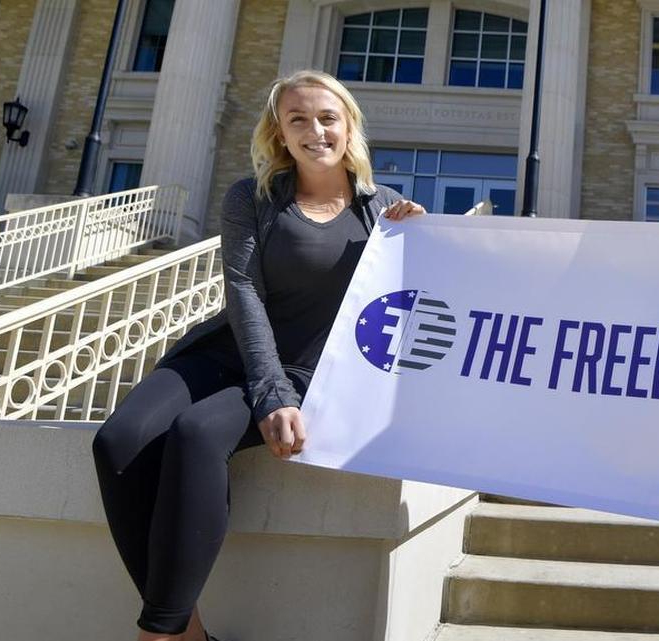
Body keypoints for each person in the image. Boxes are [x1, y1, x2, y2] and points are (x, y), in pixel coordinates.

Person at [91, 69, 424, 641]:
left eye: (327, 117)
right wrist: (267, 393)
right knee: (118, 440)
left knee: (197, 435)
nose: (314, 130)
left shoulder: (384, 210)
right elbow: (244, 293)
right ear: (280, 133)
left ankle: (159, 633)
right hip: (224, 352)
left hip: (303, 371)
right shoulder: (253, 197)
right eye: (298, 119)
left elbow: (412, 304)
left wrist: (422, 242)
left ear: (348, 126)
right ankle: (185, 629)